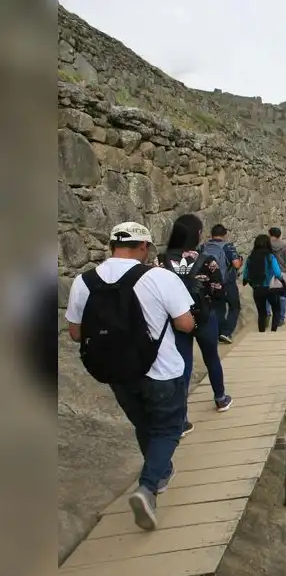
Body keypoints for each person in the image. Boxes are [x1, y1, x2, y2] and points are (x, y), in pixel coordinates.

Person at [65, 221, 195, 530]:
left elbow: (74, 334)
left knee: (144, 424)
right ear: (144, 247)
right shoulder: (159, 277)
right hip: (162, 371)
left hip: (117, 373)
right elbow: (186, 324)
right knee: (166, 429)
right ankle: (148, 488)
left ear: (111, 245)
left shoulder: (84, 282)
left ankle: (159, 472)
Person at [158, 214, 233, 439]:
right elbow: (220, 290)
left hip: (176, 319)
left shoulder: (161, 261)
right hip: (203, 316)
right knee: (211, 358)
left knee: (182, 366)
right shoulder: (207, 260)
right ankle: (220, 399)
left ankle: (181, 419)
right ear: (197, 234)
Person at [199, 224, 243, 344]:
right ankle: (226, 332)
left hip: (209, 283)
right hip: (226, 282)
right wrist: (241, 259)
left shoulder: (203, 247)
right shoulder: (228, 246)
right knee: (235, 307)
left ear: (211, 234)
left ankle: (217, 333)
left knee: (218, 308)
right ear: (224, 235)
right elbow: (236, 264)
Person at [242, 234, 286, 332]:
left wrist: (248, 282)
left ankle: (261, 332)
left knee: (261, 313)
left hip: (257, 289)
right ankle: (273, 331)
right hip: (271, 288)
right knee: (276, 310)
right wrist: (282, 281)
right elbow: (277, 273)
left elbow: (245, 274)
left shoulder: (250, 258)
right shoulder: (270, 257)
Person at [268, 227, 286, 327]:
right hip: (281, 273)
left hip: (268, 273)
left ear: (270, 234)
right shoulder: (284, 246)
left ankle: (267, 314)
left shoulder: (266, 246)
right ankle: (281, 318)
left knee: (268, 295)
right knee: (282, 296)